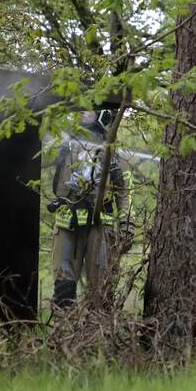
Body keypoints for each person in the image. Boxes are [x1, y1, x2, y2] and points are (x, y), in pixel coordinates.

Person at [49, 110, 131, 309]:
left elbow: (124, 192)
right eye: (80, 108)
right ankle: (64, 333)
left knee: (101, 282)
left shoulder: (113, 151)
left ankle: (97, 334)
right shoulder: (66, 145)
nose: (82, 112)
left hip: (100, 223)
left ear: (102, 113)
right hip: (68, 222)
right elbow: (58, 186)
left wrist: (127, 225)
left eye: (89, 108)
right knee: (63, 281)